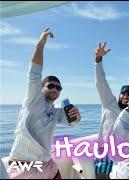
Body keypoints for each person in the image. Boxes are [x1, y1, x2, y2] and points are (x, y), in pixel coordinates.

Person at [7, 28, 81, 179]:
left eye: (58, 87)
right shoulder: (33, 99)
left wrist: (77, 117)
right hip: (24, 166)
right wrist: (40, 45)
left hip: (48, 165)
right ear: (41, 88)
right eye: (51, 86)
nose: (55, 89)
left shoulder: (56, 111)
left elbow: (72, 123)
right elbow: (34, 73)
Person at [93, 41, 129, 179]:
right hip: (105, 149)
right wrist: (98, 59)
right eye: (124, 93)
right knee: (102, 176)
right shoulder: (109, 102)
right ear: (119, 94)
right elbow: (101, 82)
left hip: (124, 151)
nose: (126, 95)